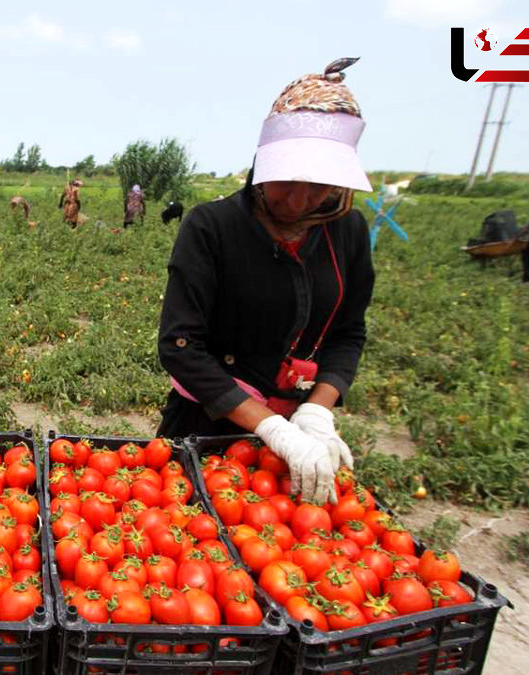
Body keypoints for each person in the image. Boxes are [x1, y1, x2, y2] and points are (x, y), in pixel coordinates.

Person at [156, 58, 376, 504]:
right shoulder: (211, 227)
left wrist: (316, 410)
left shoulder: (348, 232)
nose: (299, 200)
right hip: (205, 421)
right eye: (287, 181)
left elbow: (347, 333)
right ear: (263, 163)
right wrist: (271, 427)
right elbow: (180, 345)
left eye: (318, 187)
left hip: (295, 443)